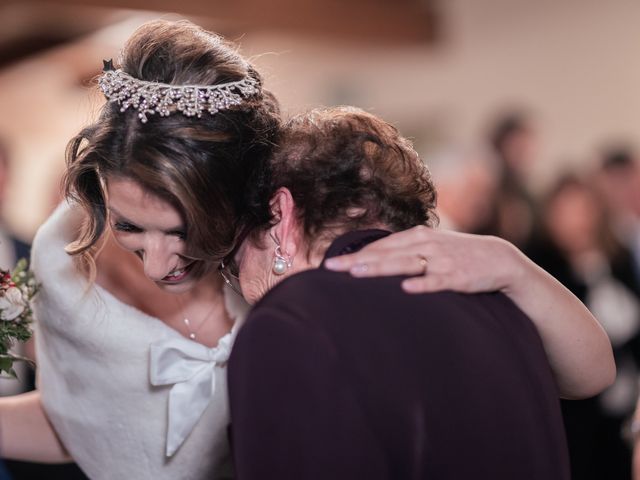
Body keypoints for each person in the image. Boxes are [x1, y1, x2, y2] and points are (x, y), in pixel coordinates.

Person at [0, 20, 613, 480]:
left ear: (253, 198)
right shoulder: (69, 264)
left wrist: (509, 263)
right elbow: (78, 421)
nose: (159, 264)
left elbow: (577, 374)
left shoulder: (320, 293)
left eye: (185, 230)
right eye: (129, 227)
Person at [227, 107, 611, 479]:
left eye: (236, 246)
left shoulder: (290, 323)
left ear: (280, 215)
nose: (234, 266)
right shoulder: (504, 305)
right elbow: (592, 377)